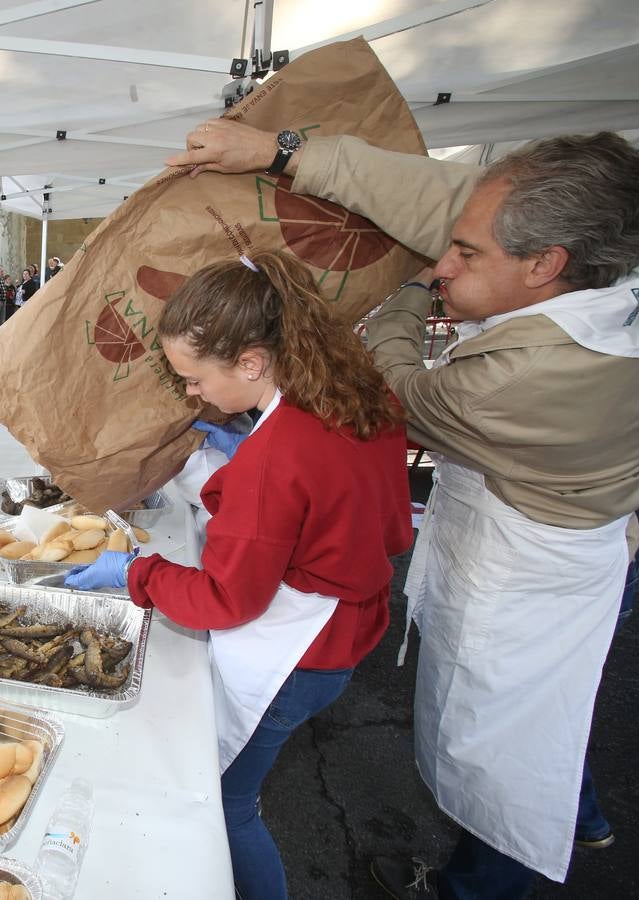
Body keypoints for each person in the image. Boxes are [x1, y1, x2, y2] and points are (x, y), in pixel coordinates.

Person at [169, 121, 639, 896]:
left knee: (510, 764)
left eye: (464, 256)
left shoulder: (527, 387)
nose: (445, 259)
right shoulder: (625, 249)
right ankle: (578, 810)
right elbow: (437, 199)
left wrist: (407, 289)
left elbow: (390, 391)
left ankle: (485, 881)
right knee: (544, 731)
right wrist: (283, 152)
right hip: (428, 585)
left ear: (548, 265)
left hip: (536, 573)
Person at [65, 252, 412, 900]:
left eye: (195, 378)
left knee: (227, 804)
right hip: (352, 628)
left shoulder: (276, 462)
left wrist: (140, 571)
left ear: (251, 362)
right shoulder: (363, 393)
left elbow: (224, 600)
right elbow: (389, 526)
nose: (193, 393)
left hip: (297, 656)